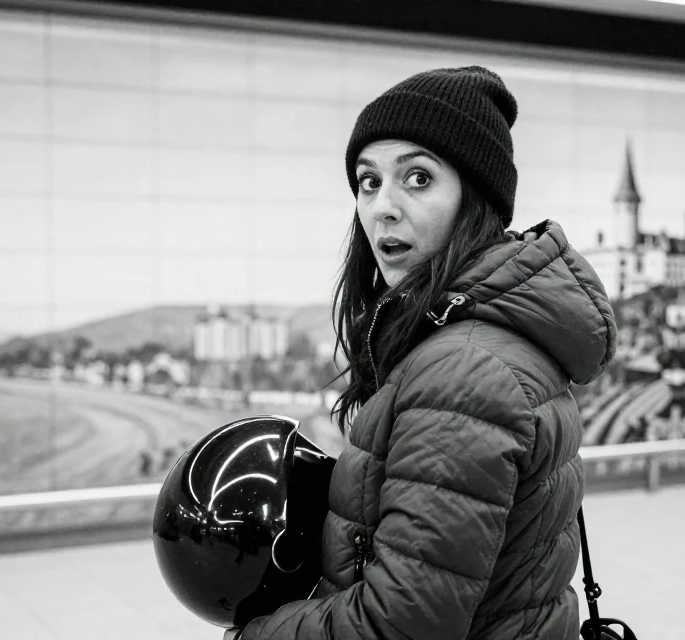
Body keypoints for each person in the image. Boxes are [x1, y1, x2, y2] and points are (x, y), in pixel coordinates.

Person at [227, 66, 616, 640]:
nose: (382, 206)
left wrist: (258, 635)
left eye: (417, 177)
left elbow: (403, 623)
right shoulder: (470, 342)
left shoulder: (464, 370)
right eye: (368, 181)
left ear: (474, 198)